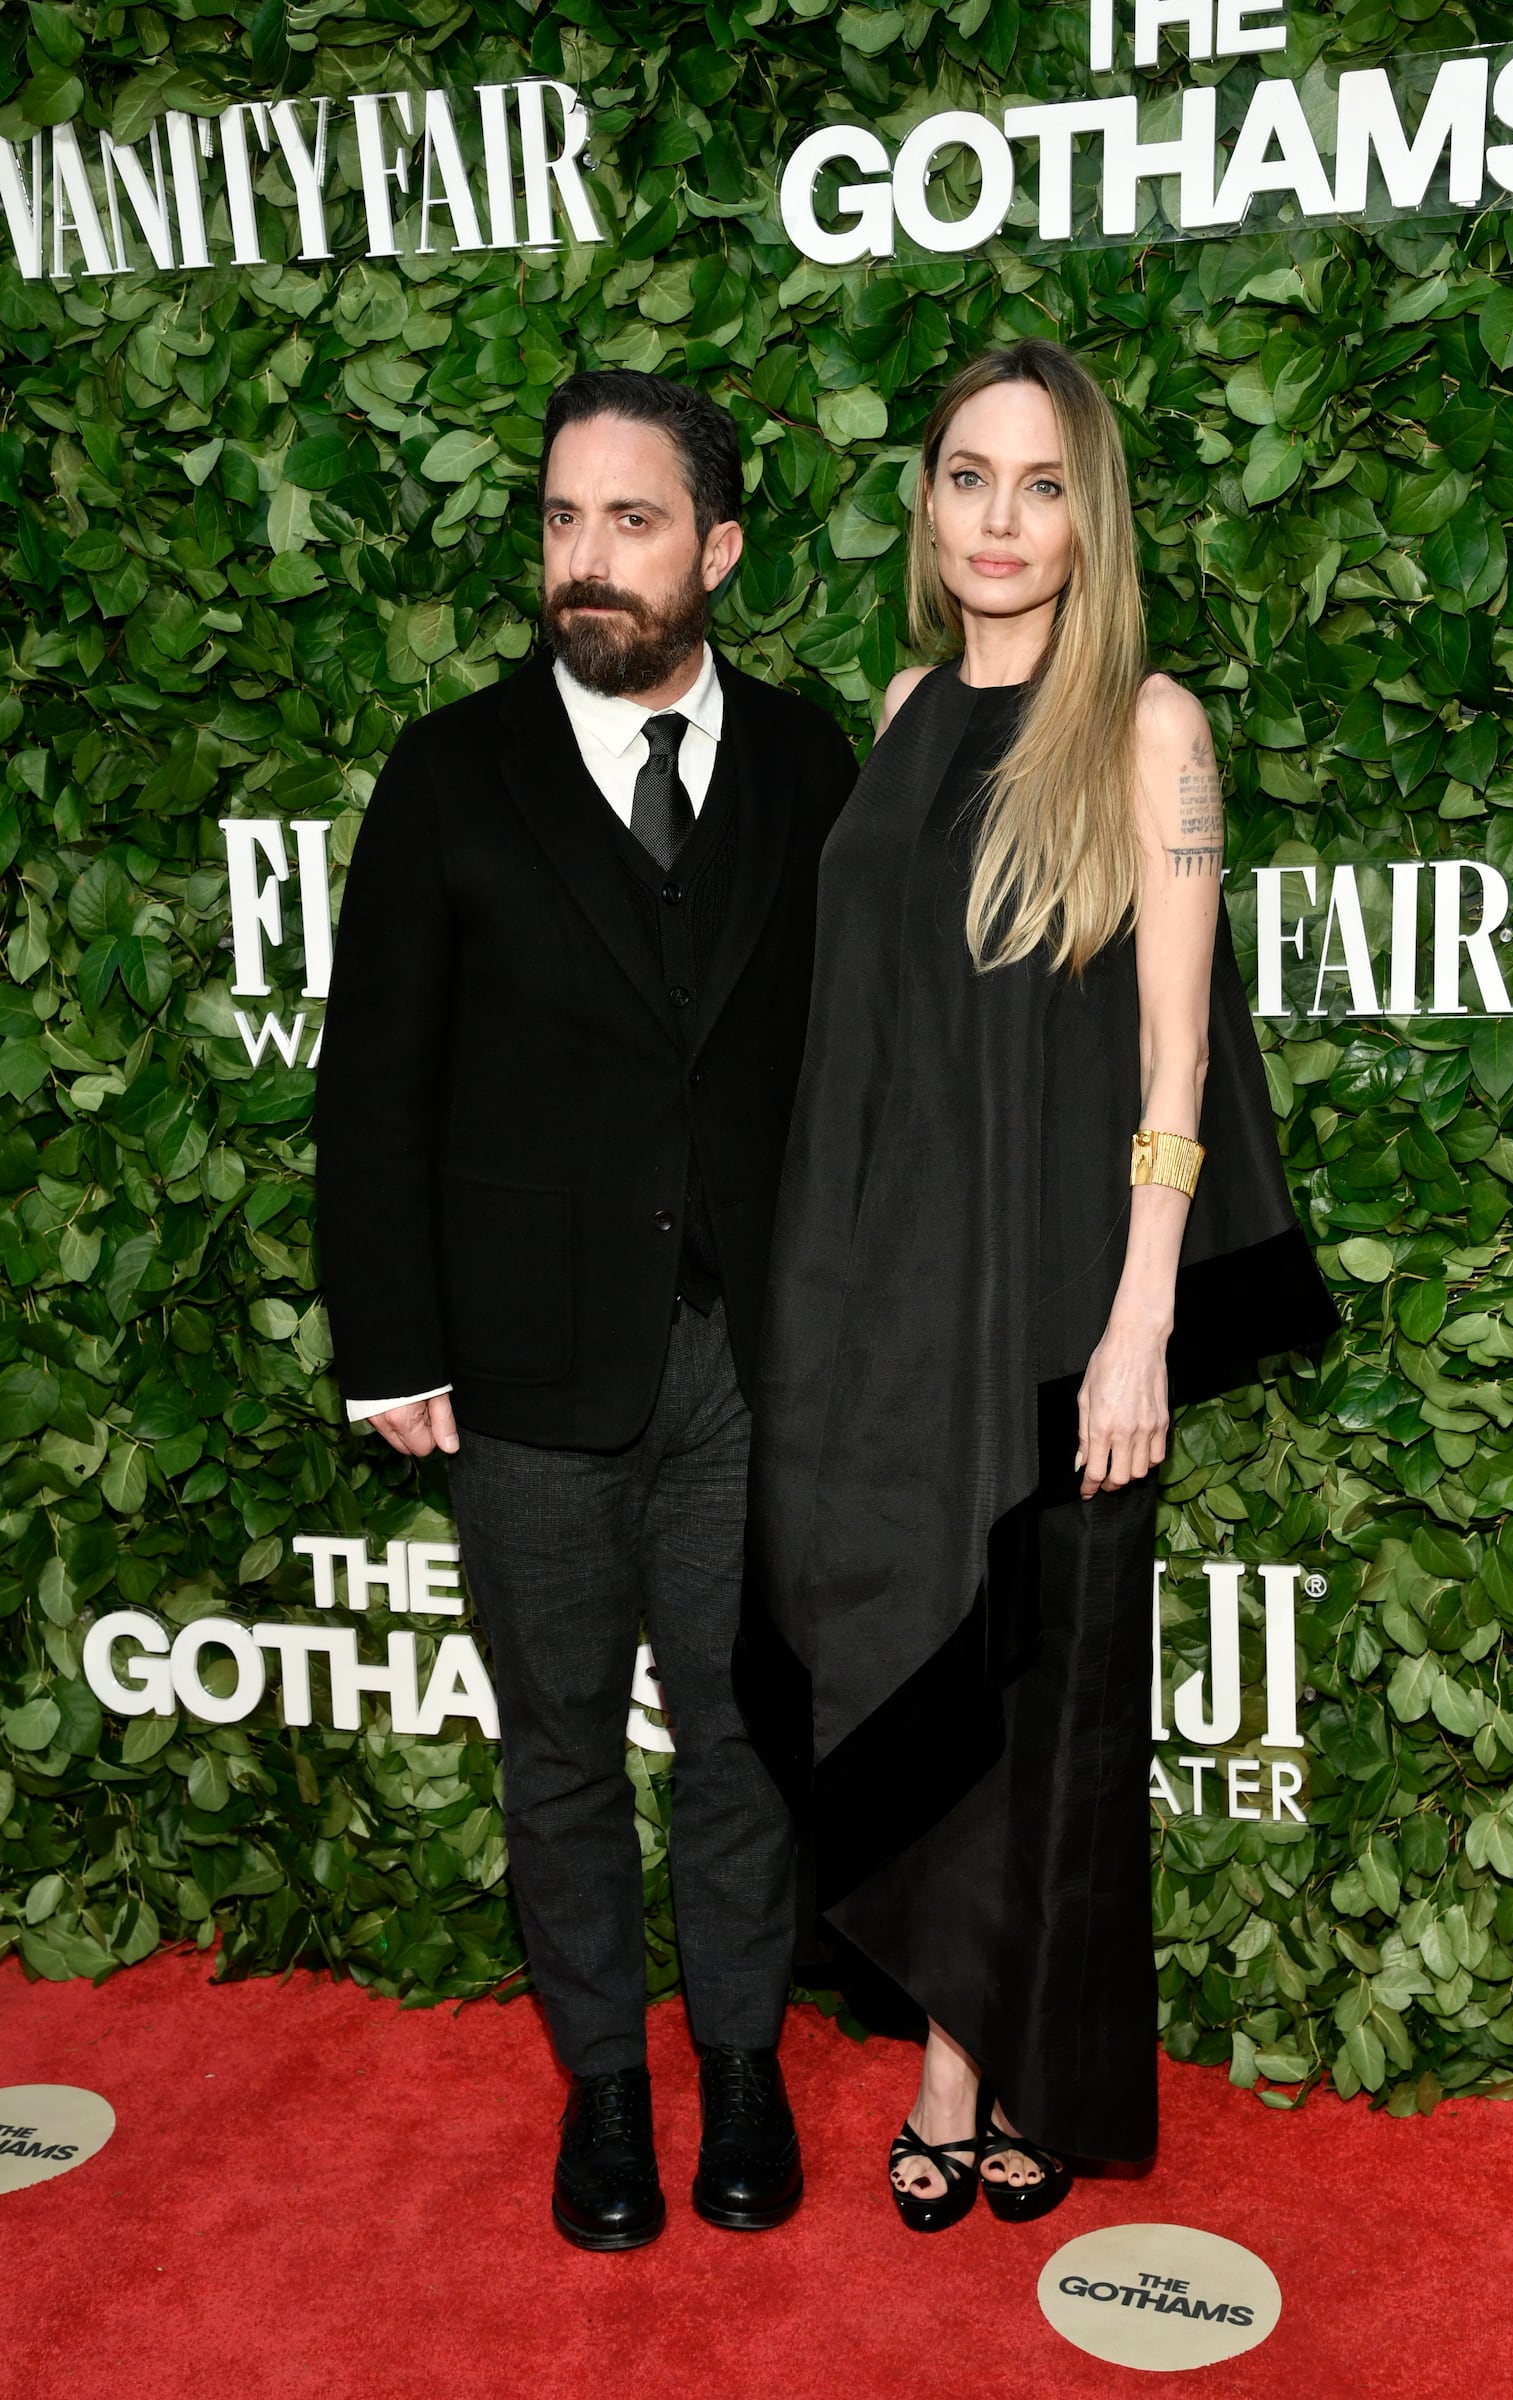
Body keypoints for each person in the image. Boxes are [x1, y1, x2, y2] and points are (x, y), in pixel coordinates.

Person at [737, 340, 1338, 2232]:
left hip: (1064, 1301)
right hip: (887, 1305)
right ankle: (946, 2057)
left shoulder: (1148, 729)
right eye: (967, 478)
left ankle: (990, 2074)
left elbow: (1177, 1060)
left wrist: (1143, 1316)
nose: (1000, 520)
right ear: (927, 506)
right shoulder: (907, 707)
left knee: (1042, 1691)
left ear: (1092, 517)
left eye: (1042, 484)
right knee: (901, 1645)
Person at [315, 368, 859, 2251]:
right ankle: (606, 2100)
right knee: (555, 1748)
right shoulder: (449, 775)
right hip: (527, 1368)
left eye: (630, 524)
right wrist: (391, 1342)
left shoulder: (808, 767)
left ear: (714, 548)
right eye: (561, 521)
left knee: (740, 1737)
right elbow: (372, 1083)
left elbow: (860, 1069)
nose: (585, 562)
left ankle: (742, 2073)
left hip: (749, 1361)